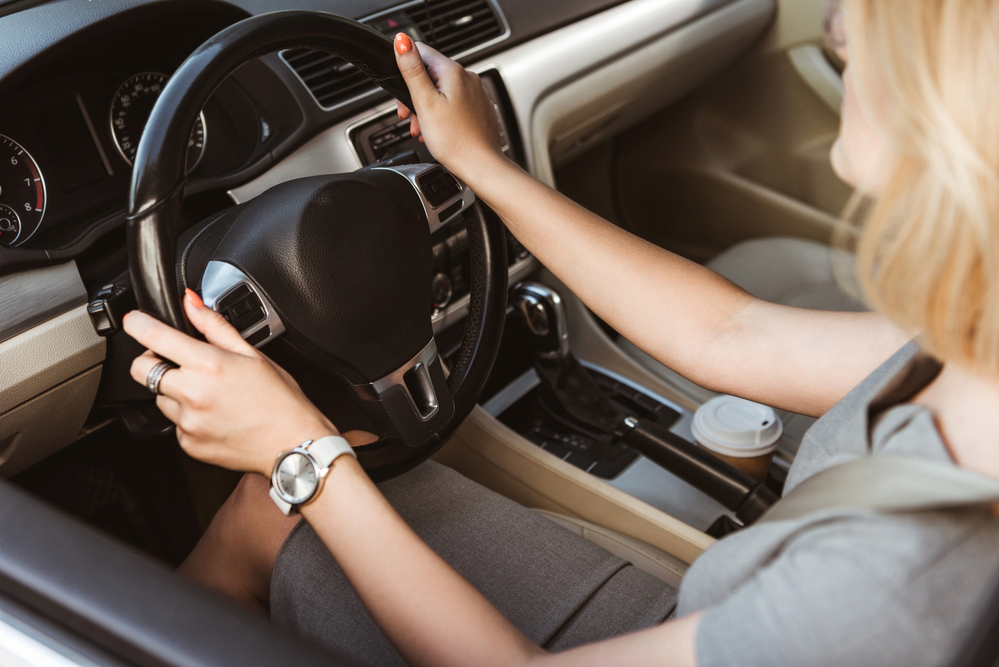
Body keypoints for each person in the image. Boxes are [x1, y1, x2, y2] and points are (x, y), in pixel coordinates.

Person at [122, 0, 999, 664]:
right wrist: (480, 166)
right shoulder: (979, 341)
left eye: (883, 14)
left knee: (265, 510)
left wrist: (296, 453)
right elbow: (729, 332)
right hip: (728, 610)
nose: (839, 25)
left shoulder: (891, 588)